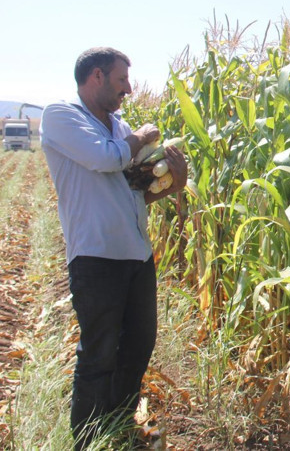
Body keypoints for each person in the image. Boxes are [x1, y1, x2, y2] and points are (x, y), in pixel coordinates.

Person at [40, 47, 187, 449]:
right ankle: (88, 440)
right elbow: (105, 159)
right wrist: (140, 136)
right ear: (97, 76)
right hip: (96, 256)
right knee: (99, 353)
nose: (129, 88)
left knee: (138, 344)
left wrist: (173, 182)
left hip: (137, 256)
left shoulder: (118, 125)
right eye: (122, 79)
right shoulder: (62, 116)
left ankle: (119, 429)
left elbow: (135, 190)